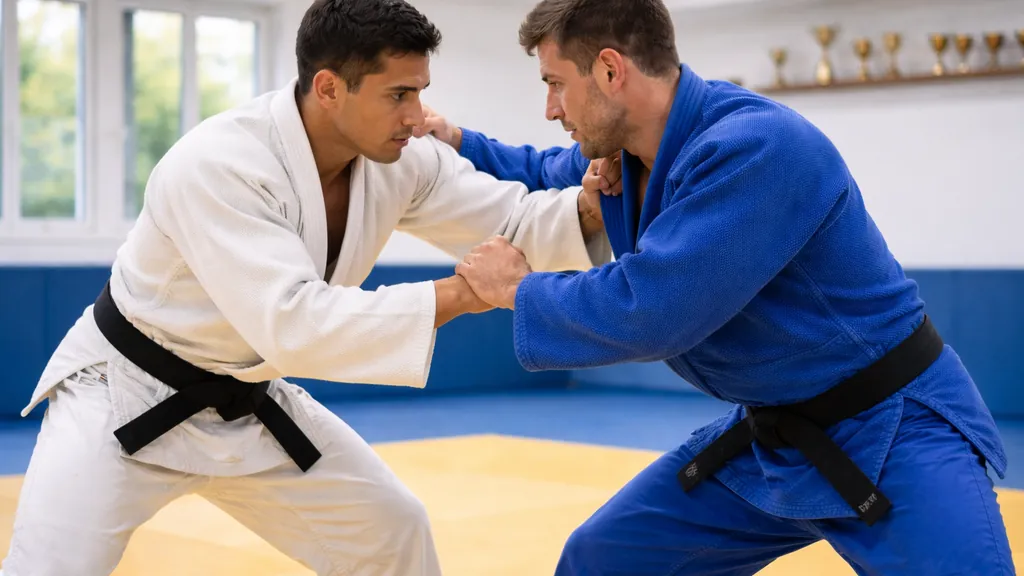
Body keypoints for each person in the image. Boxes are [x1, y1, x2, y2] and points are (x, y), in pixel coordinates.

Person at [0, 1, 612, 575]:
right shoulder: (220, 163)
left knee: (391, 531)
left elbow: (509, 222)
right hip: (126, 397)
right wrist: (463, 294)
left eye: (420, 92)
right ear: (328, 88)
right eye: (398, 94)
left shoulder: (402, 160)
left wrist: (587, 210)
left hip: (248, 400)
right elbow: (295, 324)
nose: (416, 116)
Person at [423, 0, 1015, 574]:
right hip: (773, 439)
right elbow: (539, 171)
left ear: (610, 70)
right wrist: (456, 140)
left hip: (890, 429)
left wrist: (519, 290)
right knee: (604, 559)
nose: (551, 108)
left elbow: (650, 310)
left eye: (555, 83)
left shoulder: (755, 146)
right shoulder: (628, 155)